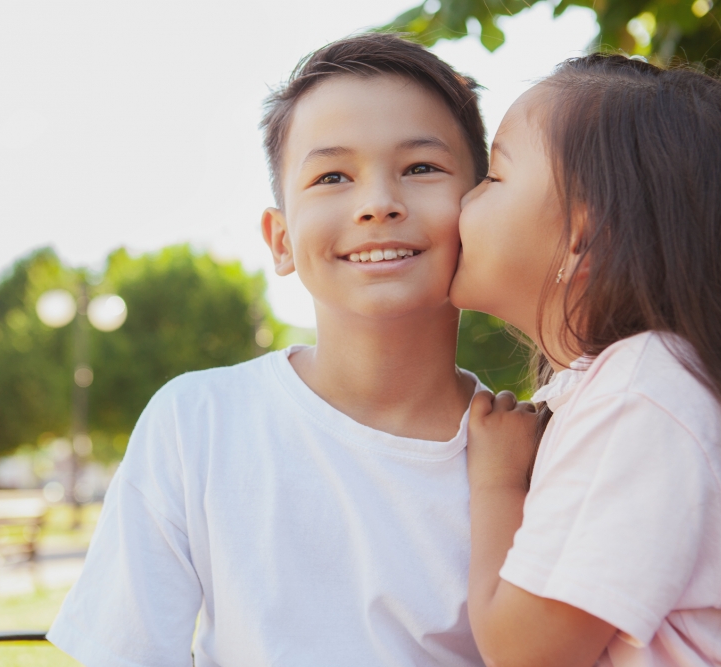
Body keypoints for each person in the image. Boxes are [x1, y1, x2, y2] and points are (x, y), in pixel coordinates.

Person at [47, 33, 491, 666]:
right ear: (280, 240)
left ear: (483, 209)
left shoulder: (537, 448)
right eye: (332, 175)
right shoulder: (197, 422)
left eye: (421, 167)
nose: (378, 204)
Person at [450, 54, 721, 666]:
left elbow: (524, 651)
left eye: (492, 177)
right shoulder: (658, 383)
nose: (460, 200)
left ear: (586, 234)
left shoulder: (642, 392)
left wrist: (496, 480)